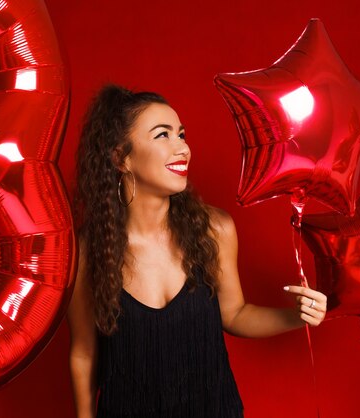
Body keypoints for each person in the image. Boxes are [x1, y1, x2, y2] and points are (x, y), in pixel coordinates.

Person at [67, 84, 327, 418]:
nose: (183, 148)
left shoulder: (214, 230)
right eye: (163, 136)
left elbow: (234, 314)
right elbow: (83, 355)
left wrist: (297, 315)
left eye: (181, 134)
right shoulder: (88, 251)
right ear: (121, 157)